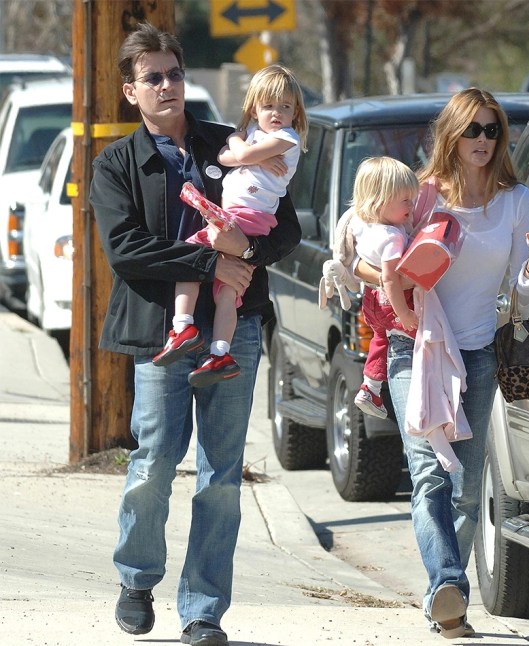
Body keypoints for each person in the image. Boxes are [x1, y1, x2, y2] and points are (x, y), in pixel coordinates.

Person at [88, 23, 300, 646]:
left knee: (222, 473)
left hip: (235, 331)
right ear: (132, 91)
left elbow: (284, 225)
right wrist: (212, 262)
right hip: (164, 332)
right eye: (152, 77)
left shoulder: (230, 142)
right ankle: (136, 577)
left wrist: (249, 253)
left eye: (175, 73)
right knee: (155, 460)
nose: (167, 86)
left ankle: (203, 611)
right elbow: (125, 251)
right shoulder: (118, 163)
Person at [355, 88, 529, 639]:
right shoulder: (419, 196)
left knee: (465, 484)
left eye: (492, 130)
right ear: (453, 134)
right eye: (473, 130)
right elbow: (363, 253)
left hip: (478, 352)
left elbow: (524, 293)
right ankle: (447, 585)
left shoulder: (516, 200)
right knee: (427, 476)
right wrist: (387, 281)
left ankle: (448, 602)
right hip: (411, 349)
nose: (483, 141)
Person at [153, 64, 308, 387]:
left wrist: (244, 147)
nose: (277, 113)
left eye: (286, 107)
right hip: (245, 217)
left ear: (296, 112)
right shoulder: (256, 135)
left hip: (247, 217)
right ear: (254, 108)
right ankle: (220, 352)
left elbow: (237, 153)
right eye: (268, 106)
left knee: (190, 257)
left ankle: (182, 327)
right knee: (229, 292)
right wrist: (246, 150)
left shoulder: (287, 137)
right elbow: (225, 158)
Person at [348, 156, 420, 419]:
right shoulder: (392, 236)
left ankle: (371, 388)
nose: (411, 206)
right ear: (379, 201)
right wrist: (404, 314)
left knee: (380, 339)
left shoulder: (361, 223)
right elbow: (390, 279)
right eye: (405, 201)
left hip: (371, 301)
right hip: (392, 303)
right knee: (422, 340)